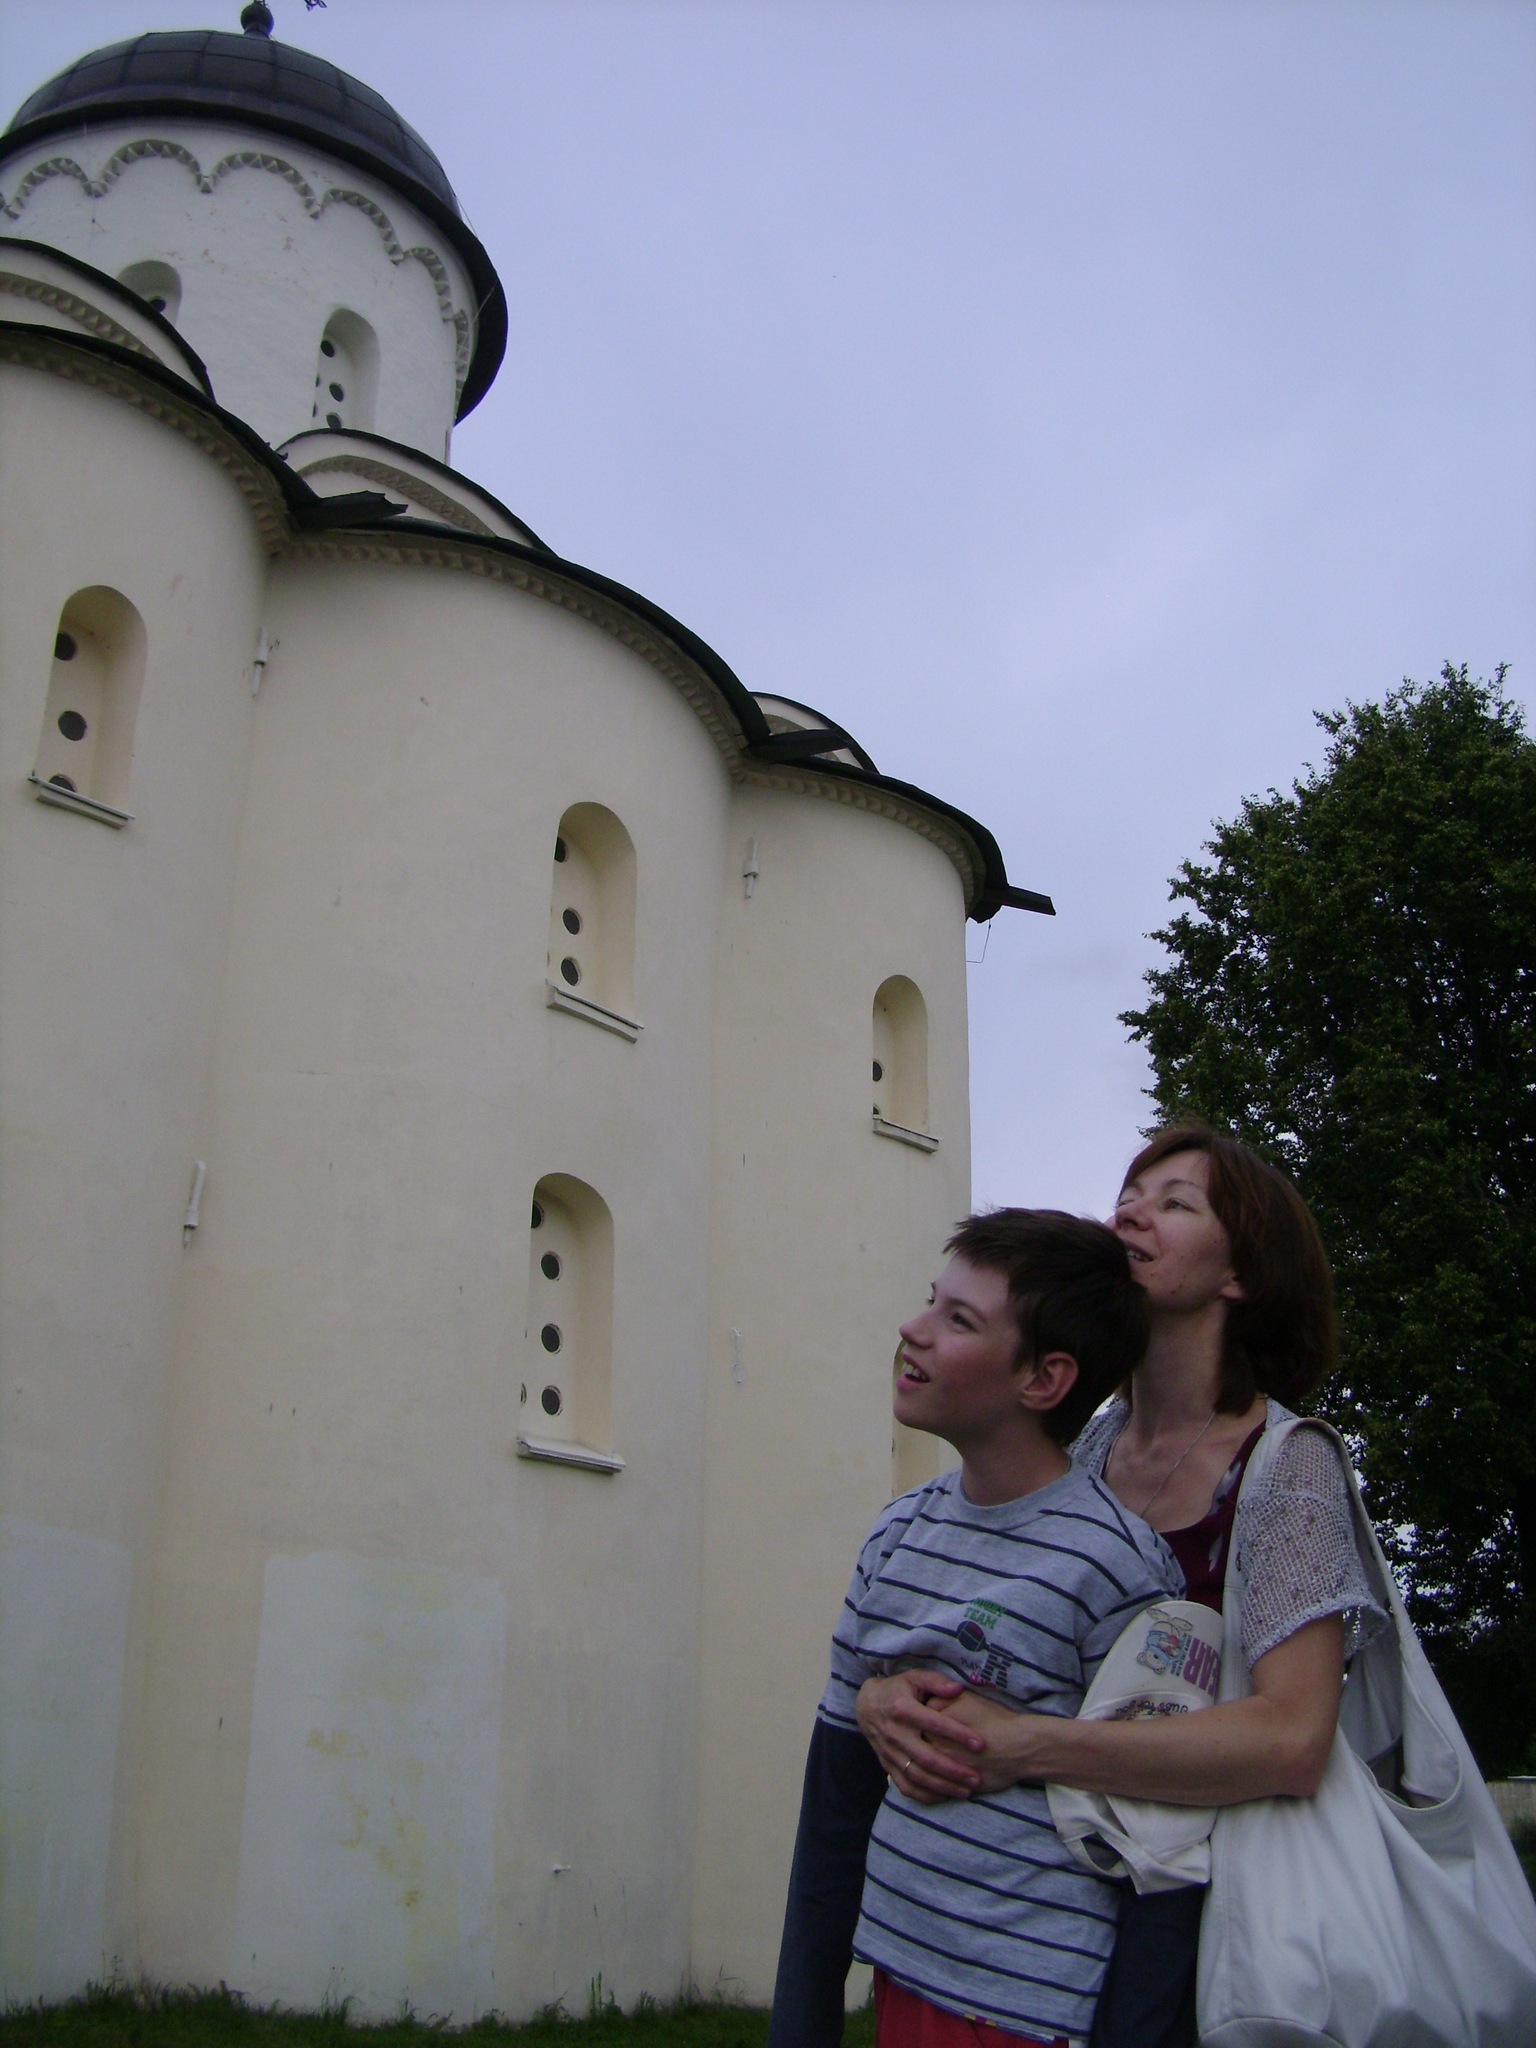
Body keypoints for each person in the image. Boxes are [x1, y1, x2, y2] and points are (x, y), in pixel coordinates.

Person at [854, 1124, 1388, 2048]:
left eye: (1175, 1203)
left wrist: (1027, 1747)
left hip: (1201, 1924)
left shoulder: (1284, 1465)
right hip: (1037, 1914)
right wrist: (881, 1696)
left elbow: (1293, 1739)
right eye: (1130, 1196)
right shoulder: (1089, 1447)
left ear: (1241, 1274)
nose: (1131, 1214)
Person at [769, 1208, 1184, 2048]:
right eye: (932, 1300)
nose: (912, 1329)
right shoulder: (896, 1536)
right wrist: (803, 2022)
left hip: (1037, 2010)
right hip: (902, 1976)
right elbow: (836, 1801)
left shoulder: (1118, 1567)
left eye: (958, 1320)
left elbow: (1163, 1848)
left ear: (1044, 1379)